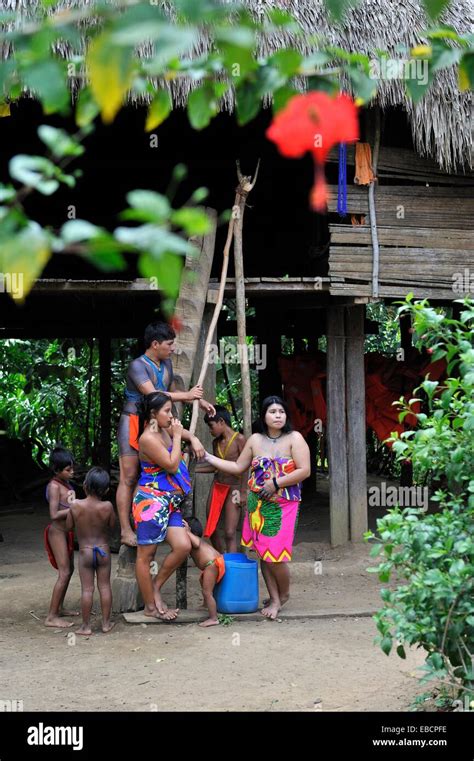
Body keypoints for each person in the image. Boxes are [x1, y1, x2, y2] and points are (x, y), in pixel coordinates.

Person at [199, 395, 310, 620]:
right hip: (256, 505)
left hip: (283, 505)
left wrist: (276, 483)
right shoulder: (255, 440)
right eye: (273, 412)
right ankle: (274, 598)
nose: (278, 415)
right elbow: (238, 466)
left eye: (281, 411)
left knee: (275, 555)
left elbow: (304, 470)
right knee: (262, 552)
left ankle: (285, 594)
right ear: (264, 416)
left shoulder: (294, 438)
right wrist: (208, 457)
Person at [117, 321, 216, 547]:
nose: (172, 348)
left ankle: (146, 521)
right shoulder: (137, 366)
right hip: (133, 420)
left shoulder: (166, 364)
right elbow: (152, 394)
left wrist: (199, 401)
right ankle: (125, 529)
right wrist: (189, 396)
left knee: (149, 474)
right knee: (129, 476)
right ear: (155, 344)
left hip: (157, 423)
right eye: (169, 344)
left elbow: (173, 393)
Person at [132, 392, 202, 620]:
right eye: (167, 411)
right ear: (153, 414)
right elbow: (172, 465)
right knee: (146, 555)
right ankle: (150, 608)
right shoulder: (147, 438)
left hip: (171, 503)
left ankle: (155, 587)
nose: (171, 416)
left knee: (182, 546)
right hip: (151, 503)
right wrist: (180, 437)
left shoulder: (163, 428)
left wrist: (194, 438)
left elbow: (180, 432)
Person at [65, 467, 116, 636]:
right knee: (105, 586)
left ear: (85, 485)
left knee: (87, 590)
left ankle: (85, 627)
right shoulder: (107, 506)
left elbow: (68, 527)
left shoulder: (75, 505)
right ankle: (106, 624)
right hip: (103, 551)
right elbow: (113, 526)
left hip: (85, 552)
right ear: (107, 490)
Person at [195, 405, 246, 553]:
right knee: (211, 528)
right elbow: (215, 466)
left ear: (222, 421)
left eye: (211, 427)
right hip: (217, 485)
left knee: (230, 533)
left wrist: (243, 491)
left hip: (234, 488)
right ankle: (222, 559)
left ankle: (231, 566)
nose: (210, 431)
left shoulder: (240, 440)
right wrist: (194, 470)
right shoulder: (215, 442)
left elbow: (246, 467)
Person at [44, 446, 78, 628]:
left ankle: (60, 607)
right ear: (57, 470)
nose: (72, 472)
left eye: (72, 468)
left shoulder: (66, 484)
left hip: (67, 533)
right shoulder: (54, 486)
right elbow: (54, 514)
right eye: (68, 469)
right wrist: (75, 509)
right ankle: (51, 617)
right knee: (64, 572)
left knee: (69, 570)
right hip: (57, 532)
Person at [184, 518, 225, 628]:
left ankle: (213, 618)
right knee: (202, 581)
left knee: (207, 592)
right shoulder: (191, 539)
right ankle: (206, 605)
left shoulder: (194, 538)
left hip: (211, 564)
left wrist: (186, 531)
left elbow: (196, 544)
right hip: (212, 563)